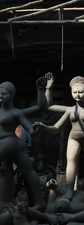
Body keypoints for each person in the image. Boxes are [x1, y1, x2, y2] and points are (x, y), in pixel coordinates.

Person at [0, 78, 48, 211]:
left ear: (11, 96)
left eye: (4, 93)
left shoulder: (16, 112)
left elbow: (40, 109)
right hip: (12, 145)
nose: (0, 96)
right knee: (28, 171)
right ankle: (40, 203)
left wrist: (40, 89)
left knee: (29, 172)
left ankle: (39, 202)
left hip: (10, 141)